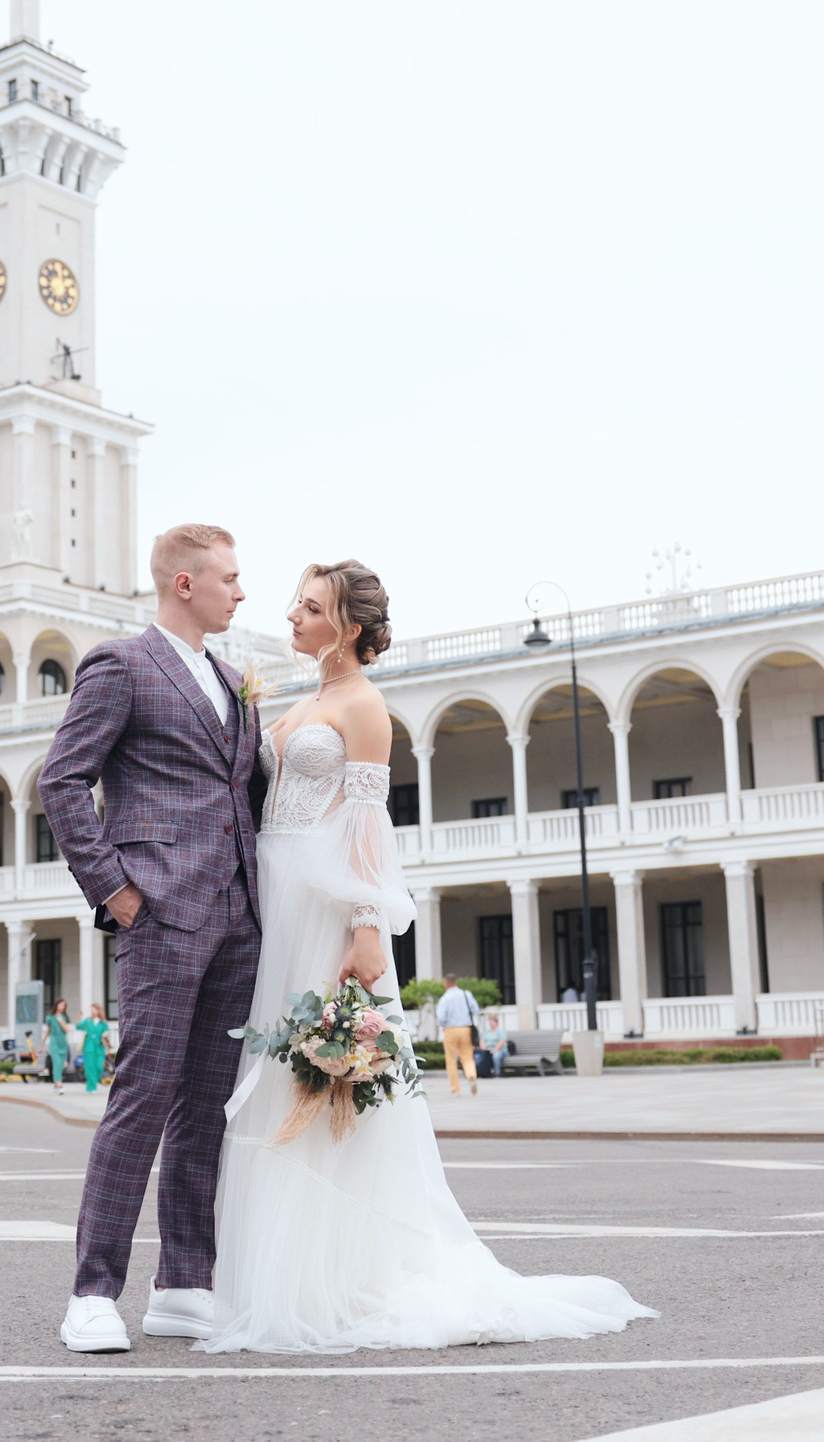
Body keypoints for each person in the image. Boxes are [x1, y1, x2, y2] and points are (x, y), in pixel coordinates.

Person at [197, 559, 652, 1355]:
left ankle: (347, 1275)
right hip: (275, 893)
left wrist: (368, 924)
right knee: (277, 1078)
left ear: (347, 627)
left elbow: (368, 827)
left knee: (332, 1076)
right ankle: (285, 1275)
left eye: (309, 608)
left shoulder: (365, 705)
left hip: (326, 903)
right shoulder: (298, 697)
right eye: (296, 604)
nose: (292, 616)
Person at [42, 522, 262, 1353]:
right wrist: (117, 890)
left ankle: (183, 1281)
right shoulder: (122, 663)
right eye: (231, 578)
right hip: (160, 911)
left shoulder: (237, 678)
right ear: (185, 584)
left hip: (238, 919)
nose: (241, 591)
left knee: (205, 1108)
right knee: (141, 1098)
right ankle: (92, 1291)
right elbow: (62, 779)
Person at [434, 973, 480, 1096]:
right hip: (466, 1029)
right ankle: (471, 1075)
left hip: (450, 1029)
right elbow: (475, 1009)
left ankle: (455, 1089)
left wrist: (443, 1025)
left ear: (447, 983)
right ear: (456, 982)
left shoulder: (445, 998)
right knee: (467, 1056)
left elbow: (440, 1017)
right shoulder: (466, 994)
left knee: (451, 1060)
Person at [78, 1004, 109, 1093]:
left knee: (100, 1066)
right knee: (90, 1067)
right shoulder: (88, 1021)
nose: (92, 1011)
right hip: (89, 1046)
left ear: (98, 1010)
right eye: (91, 1010)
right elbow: (79, 1026)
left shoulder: (103, 1022)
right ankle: (91, 1087)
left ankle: (93, 1082)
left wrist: (105, 1034)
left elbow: (107, 1031)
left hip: (99, 1046)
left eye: (94, 1009)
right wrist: (80, 1018)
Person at [46, 998, 74, 1095]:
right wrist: (42, 1045)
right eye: (61, 1005)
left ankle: (55, 1085)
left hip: (63, 1044)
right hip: (54, 1044)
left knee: (61, 1065)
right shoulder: (50, 1018)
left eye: (64, 1006)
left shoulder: (65, 1017)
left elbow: (67, 1030)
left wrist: (61, 1021)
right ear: (57, 1005)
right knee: (57, 1064)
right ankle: (59, 1085)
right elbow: (47, 1032)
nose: (62, 1007)